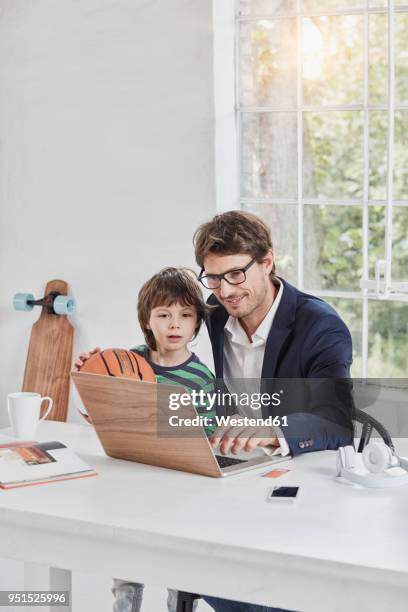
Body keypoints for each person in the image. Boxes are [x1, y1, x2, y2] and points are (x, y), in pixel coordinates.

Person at [192, 210, 354, 612]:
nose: (224, 290)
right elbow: (166, 347)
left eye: (235, 274)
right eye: (212, 277)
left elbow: (337, 421)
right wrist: (119, 379)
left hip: (300, 490)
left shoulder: (320, 327)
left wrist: (271, 428)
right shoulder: (214, 314)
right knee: (186, 553)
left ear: (267, 261)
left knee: (256, 588)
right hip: (234, 478)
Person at [74, 267, 215, 612]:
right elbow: (105, 417)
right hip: (130, 483)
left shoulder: (201, 377)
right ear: (147, 319)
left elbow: (206, 437)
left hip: (179, 487)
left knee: (177, 574)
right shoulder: (126, 361)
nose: (174, 325)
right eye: (163, 315)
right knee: (126, 571)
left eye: (185, 315)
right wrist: (91, 377)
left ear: (196, 323)